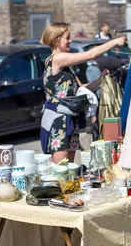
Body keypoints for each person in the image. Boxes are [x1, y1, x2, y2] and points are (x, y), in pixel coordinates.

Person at [40, 22, 126, 163]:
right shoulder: (57, 59)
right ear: (56, 40)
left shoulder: (64, 65)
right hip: (58, 121)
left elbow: (81, 89)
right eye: (67, 38)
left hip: (70, 120)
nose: (70, 40)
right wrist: (115, 42)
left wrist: (99, 80)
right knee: (60, 171)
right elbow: (91, 54)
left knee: (71, 170)